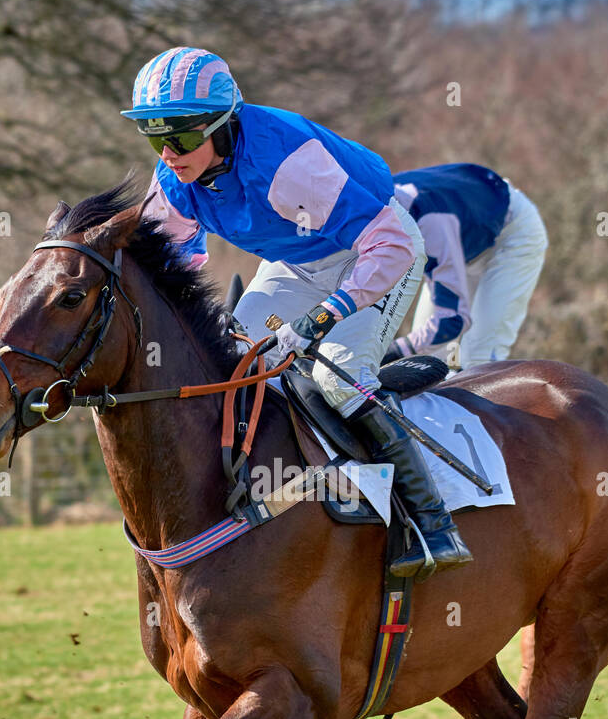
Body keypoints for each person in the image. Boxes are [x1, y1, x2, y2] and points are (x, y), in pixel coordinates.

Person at [123, 47, 471, 576]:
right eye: (155, 135)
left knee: (337, 373)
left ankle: (429, 520)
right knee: (233, 360)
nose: (169, 152)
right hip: (297, 264)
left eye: (183, 135)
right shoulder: (174, 179)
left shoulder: (287, 165)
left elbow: (394, 244)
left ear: (222, 125)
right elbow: (174, 269)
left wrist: (329, 314)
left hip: (377, 252)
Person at [383, 163, 548, 372]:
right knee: (423, 363)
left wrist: (395, 351)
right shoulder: (366, 212)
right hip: (464, 231)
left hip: (511, 234)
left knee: (479, 357)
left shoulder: (429, 223)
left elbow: (451, 320)